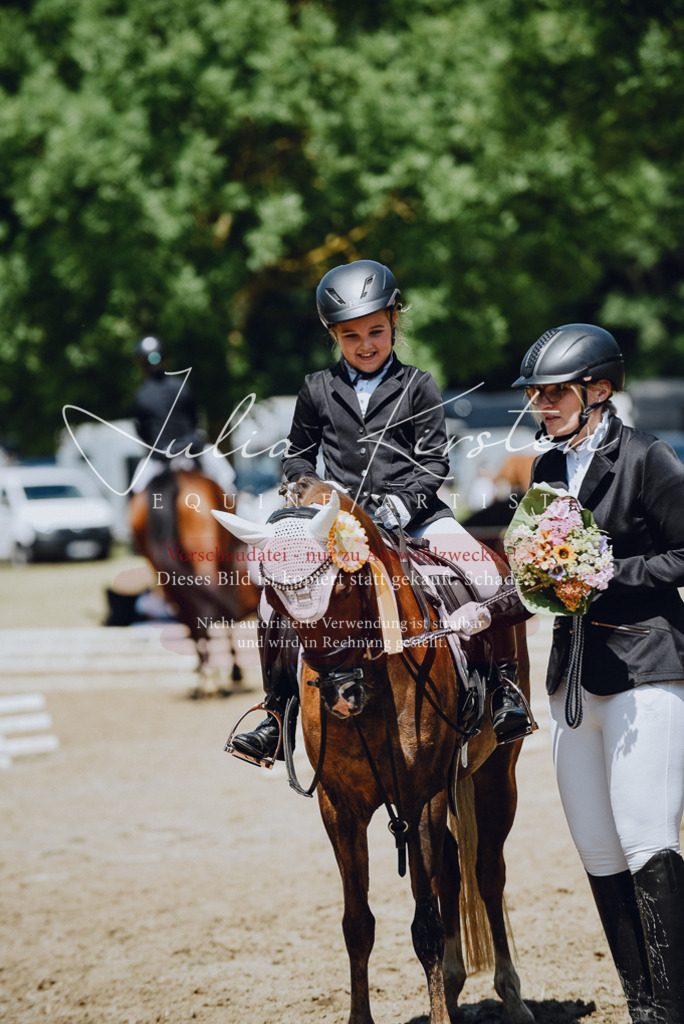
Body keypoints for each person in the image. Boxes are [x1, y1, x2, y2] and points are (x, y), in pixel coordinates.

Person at [230, 259, 534, 765]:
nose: (365, 344)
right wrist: (302, 490)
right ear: (334, 334)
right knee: (270, 602)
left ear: (395, 320)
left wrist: (399, 503)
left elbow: (435, 461)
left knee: (487, 572)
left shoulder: (419, 384)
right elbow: (299, 456)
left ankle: (503, 688)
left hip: (417, 517)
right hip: (339, 524)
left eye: (375, 331)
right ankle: (277, 713)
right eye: (351, 336)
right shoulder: (317, 388)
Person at [512, 323, 684, 1024]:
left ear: (599, 390)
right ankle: (642, 1008)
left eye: (553, 394)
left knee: (646, 835)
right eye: (536, 394)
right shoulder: (546, 470)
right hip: (572, 678)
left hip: (646, 667)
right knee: (597, 846)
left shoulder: (648, 458)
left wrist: (609, 571)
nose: (540, 406)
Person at [130, 335, 235, 495]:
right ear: (166, 358)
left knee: (137, 491)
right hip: (192, 448)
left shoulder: (140, 395)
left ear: (140, 363)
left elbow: (141, 430)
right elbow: (194, 418)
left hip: (160, 455)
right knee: (228, 480)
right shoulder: (182, 386)